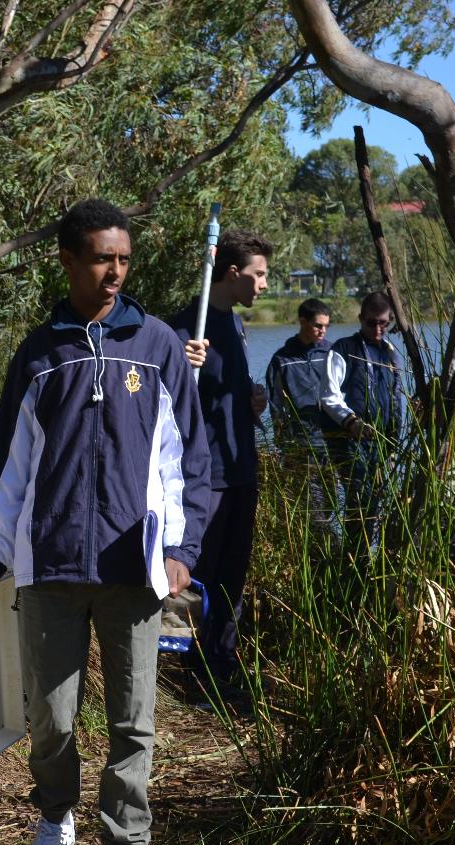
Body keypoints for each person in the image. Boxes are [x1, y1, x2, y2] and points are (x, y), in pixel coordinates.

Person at [0, 199, 209, 845]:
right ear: (68, 260)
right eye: (101, 258)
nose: (115, 273)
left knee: (134, 720)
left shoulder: (158, 345)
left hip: (134, 570)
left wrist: (179, 551)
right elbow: (11, 466)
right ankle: (54, 819)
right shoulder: (40, 355)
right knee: (52, 718)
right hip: (52, 568)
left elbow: (186, 457)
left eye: (123, 260)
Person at [171, 229, 271, 705]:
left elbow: (227, 390)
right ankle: (188, 670)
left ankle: (222, 665)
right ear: (233, 273)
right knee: (200, 573)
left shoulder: (235, 324)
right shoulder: (187, 328)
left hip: (240, 471)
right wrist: (178, 360)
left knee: (233, 574)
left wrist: (252, 400)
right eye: (260, 275)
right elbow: (159, 397)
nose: (265, 284)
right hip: (203, 478)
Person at [321, 291, 404, 562]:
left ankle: (374, 556)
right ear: (360, 319)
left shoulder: (391, 353)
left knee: (379, 501)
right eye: (372, 323)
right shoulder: (343, 349)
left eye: (384, 323)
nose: (378, 329)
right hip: (350, 441)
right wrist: (351, 422)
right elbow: (328, 395)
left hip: (384, 443)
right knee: (360, 501)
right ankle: (356, 559)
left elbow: (395, 393)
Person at [265, 298, 342, 543]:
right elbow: (276, 404)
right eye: (318, 325)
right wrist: (283, 443)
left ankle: (326, 552)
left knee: (331, 504)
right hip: (300, 447)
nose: (323, 331)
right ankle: (318, 553)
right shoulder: (282, 359)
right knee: (313, 510)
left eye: (327, 326)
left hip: (331, 443)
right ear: (303, 322)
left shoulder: (331, 354)